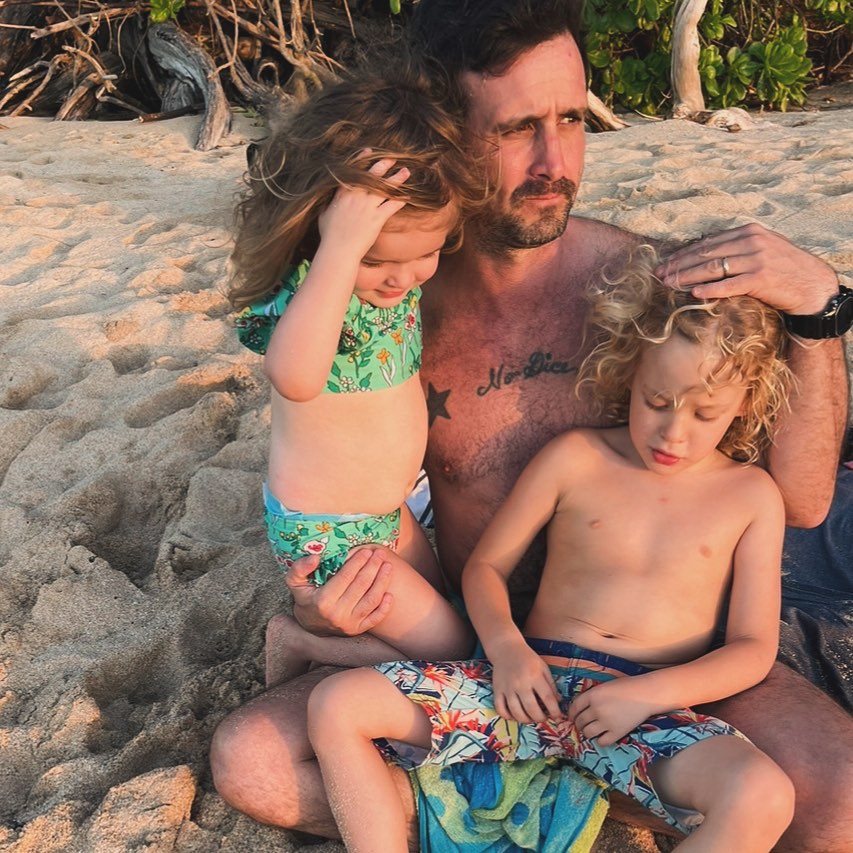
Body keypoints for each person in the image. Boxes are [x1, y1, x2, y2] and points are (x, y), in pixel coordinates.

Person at [211, 2, 853, 849]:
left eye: (572, 120)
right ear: (442, 134)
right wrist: (334, 600)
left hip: (666, 674)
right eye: (518, 128)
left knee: (838, 803)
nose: (556, 161)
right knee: (251, 763)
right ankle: (569, 798)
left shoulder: (643, 295)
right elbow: (346, 490)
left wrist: (819, 311)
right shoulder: (386, 307)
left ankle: (539, 801)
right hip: (488, 656)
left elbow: (802, 501)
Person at [308, 251, 797, 852]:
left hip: (644, 709)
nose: (674, 432)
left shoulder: (750, 496)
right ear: (631, 374)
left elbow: (752, 649)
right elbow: (487, 567)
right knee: (337, 705)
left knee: (762, 794)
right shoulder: (578, 457)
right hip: (523, 689)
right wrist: (508, 651)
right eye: (656, 401)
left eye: (705, 413)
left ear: (745, 401)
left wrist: (647, 694)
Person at [226, 58, 478, 687]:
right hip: (333, 533)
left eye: (426, 253)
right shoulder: (320, 292)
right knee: (455, 652)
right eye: (378, 259)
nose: (402, 277)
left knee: (451, 605)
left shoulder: (389, 280)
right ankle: (298, 643)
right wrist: (340, 250)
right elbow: (295, 377)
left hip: (387, 514)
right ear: (319, 230)